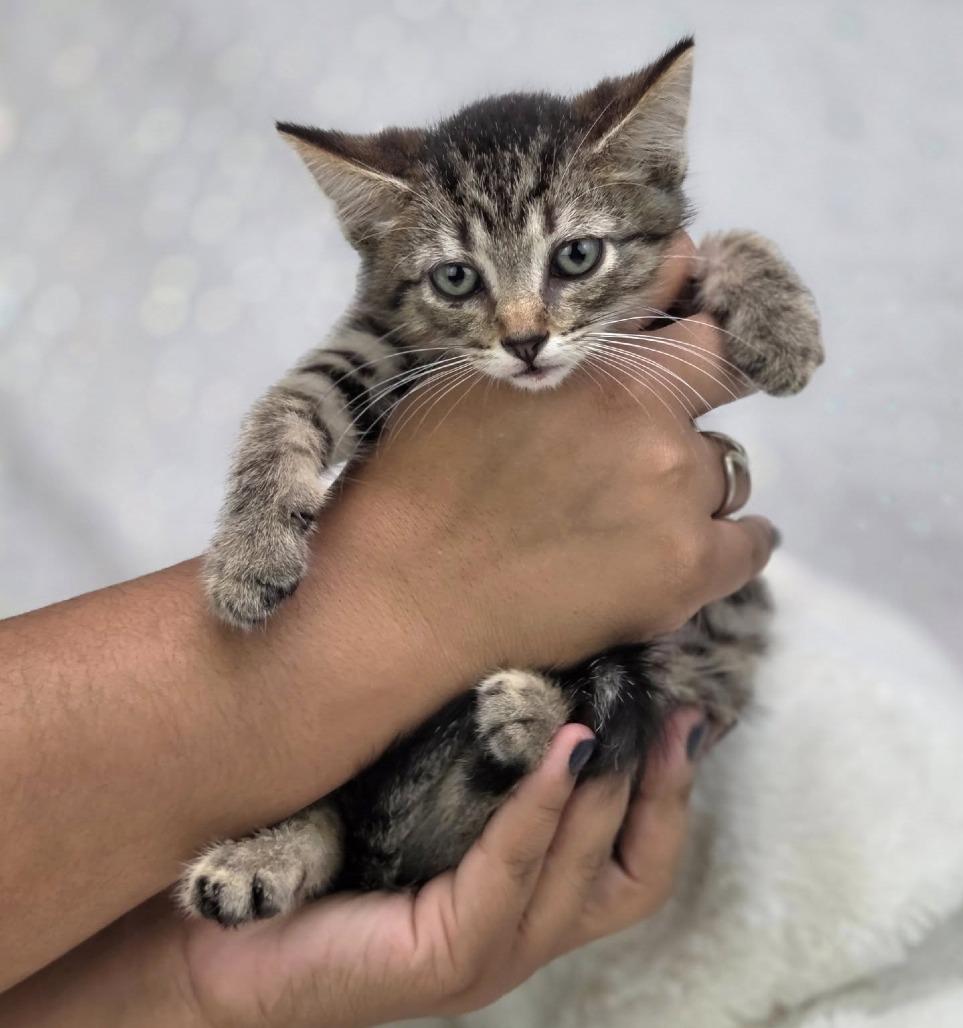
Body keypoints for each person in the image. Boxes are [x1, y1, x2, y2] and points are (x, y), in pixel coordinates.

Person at [0, 235, 778, 1026]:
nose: (521, 321)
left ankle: (341, 826)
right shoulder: (409, 328)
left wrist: (185, 982)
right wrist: (387, 585)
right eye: (458, 276)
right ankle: (329, 831)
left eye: (570, 258)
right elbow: (315, 398)